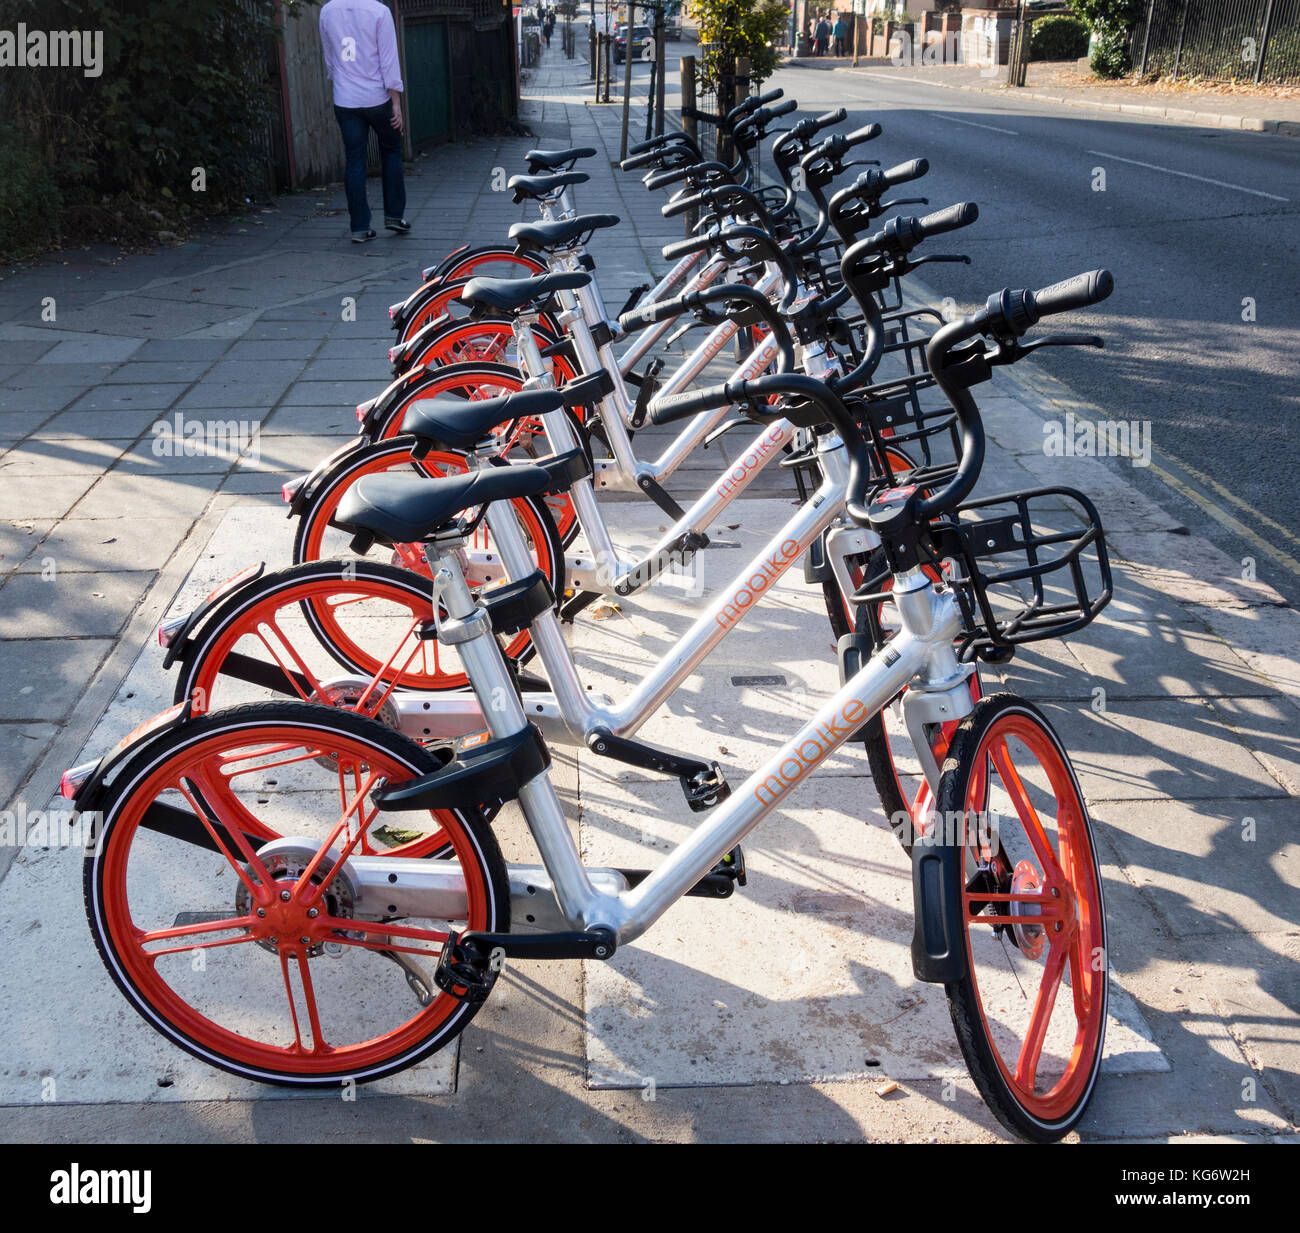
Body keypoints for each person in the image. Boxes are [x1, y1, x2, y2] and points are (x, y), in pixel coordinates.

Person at [319, 0, 409, 243]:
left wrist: (340, 82)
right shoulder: (379, 11)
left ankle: (359, 227)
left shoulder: (327, 11)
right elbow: (388, 60)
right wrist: (396, 103)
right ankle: (393, 216)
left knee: (354, 159)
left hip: (346, 99)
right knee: (390, 151)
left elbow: (330, 59)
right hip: (377, 98)